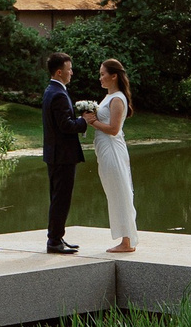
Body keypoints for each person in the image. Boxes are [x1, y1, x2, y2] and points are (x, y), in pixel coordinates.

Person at [38, 52, 87, 255]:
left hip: (55, 155)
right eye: (69, 69)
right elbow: (66, 126)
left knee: (58, 198)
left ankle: (57, 237)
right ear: (59, 72)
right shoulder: (58, 94)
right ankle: (54, 241)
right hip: (62, 156)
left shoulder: (52, 90)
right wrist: (85, 120)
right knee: (61, 199)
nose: (72, 73)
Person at [90, 58, 138, 253]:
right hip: (105, 150)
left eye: (103, 74)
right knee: (113, 192)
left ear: (114, 76)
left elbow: (113, 129)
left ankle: (127, 241)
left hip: (113, 149)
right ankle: (124, 238)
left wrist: (91, 121)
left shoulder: (117, 99)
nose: (100, 78)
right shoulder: (109, 97)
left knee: (120, 192)